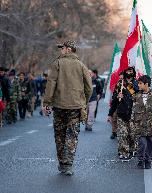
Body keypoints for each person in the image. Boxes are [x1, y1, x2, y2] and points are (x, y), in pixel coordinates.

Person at [42, 40, 92, 176]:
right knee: (72, 135)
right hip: (75, 107)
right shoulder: (81, 66)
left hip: (59, 106)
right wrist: (83, 102)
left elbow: (51, 84)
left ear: (69, 49)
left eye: (62, 48)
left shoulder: (57, 63)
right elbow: (89, 88)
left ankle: (62, 163)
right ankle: (68, 165)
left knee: (59, 136)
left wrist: (46, 103)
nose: (61, 50)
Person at [107, 67, 139, 161]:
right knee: (122, 134)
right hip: (121, 113)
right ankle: (123, 152)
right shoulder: (120, 84)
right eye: (128, 71)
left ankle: (132, 150)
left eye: (131, 71)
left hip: (133, 114)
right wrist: (110, 113)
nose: (129, 73)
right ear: (125, 72)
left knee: (132, 135)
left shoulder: (137, 83)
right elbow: (114, 101)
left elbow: (138, 95)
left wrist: (130, 87)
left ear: (133, 73)